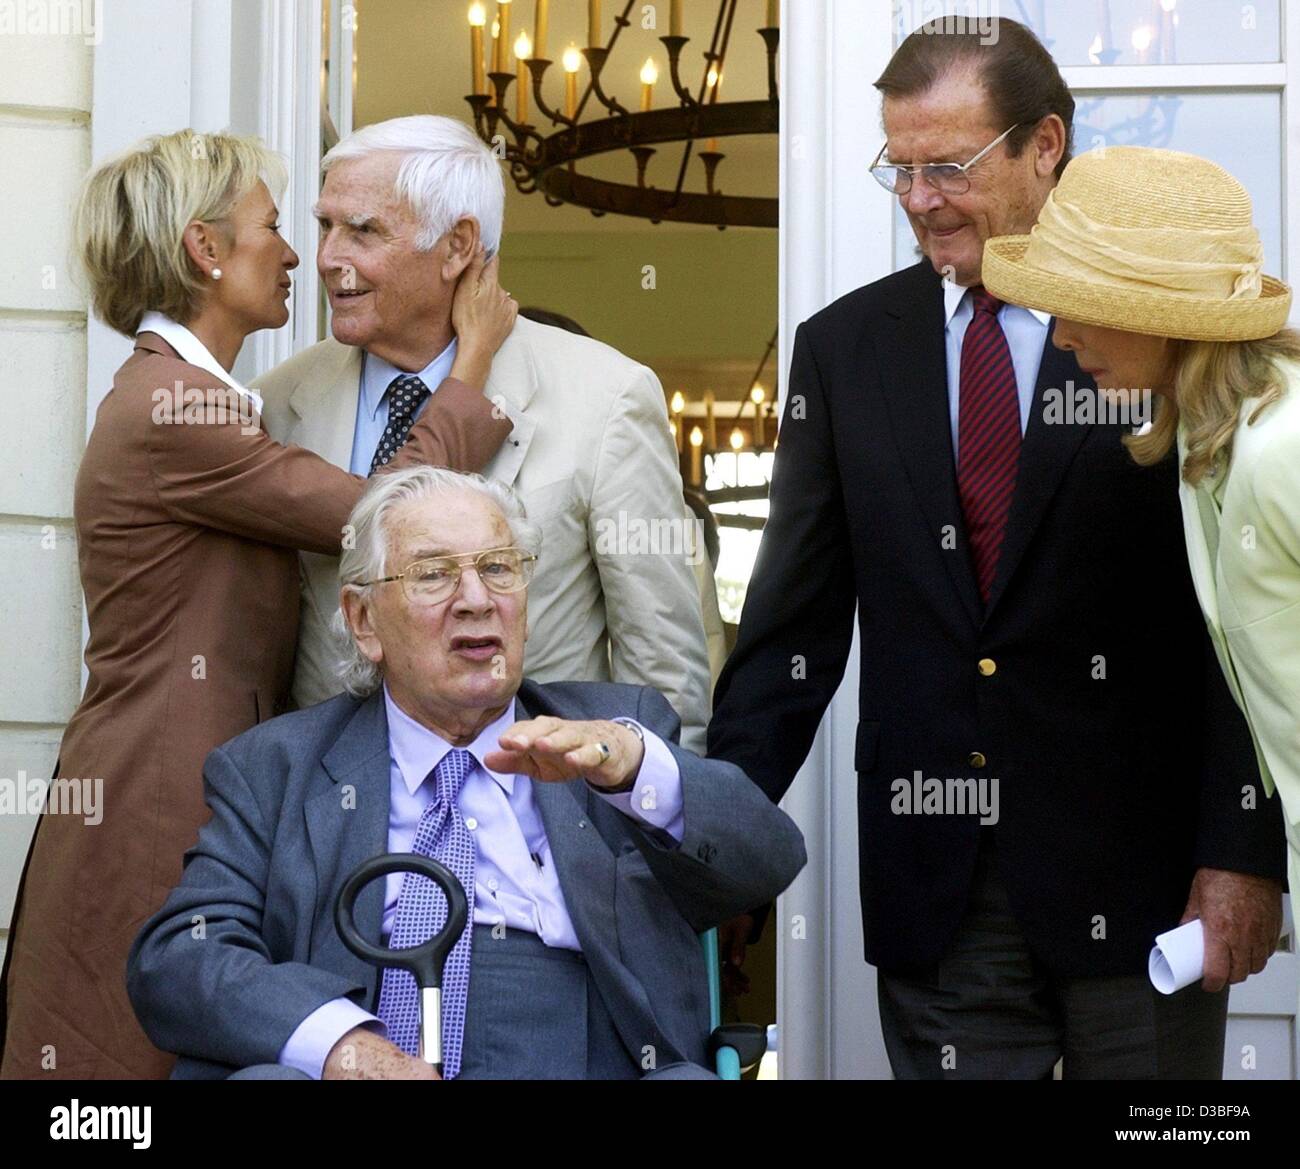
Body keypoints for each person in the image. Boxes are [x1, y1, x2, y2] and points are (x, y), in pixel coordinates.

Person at [707, 19, 1284, 1079]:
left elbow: (1240, 629)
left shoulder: (1153, 332)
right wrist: (713, 840)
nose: (920, 198)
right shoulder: (840, 351)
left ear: (1044, 145)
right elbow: (791, 624)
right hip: (939, 885)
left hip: (1144, 875)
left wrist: (1242, 851)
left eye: (950, 166)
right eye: (901, 169)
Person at [0, 130, 516, 1080]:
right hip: (158, 790)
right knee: (125, 1070)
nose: (297, 254)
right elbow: (375, 518)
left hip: (185, 771)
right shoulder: (173, 407)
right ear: (206, 250)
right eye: (277, 226)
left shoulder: (202, 396)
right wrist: (471, 365)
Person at [126, 467, 805, 1080]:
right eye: (433, 574)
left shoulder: (610, 733)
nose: (476, 599)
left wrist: (631, 767)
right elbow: (180, 957)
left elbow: (768, 856)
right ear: (364, 621)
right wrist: (340, 1045)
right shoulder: (275, 767)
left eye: (499, 569)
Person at [254, 115, 712, 752]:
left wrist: (640, 834)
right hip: (334, 830)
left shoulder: (607, 398)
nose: (328, 258)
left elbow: (664, 683)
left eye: (363, 230)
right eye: (325, 224)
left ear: (457, 245)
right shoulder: (279, 401)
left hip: (534, 816)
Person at [983, 144, 1300, 930]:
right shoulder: (1207, 443)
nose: (1057, 339)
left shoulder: (1281, 447)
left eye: (1073, 303)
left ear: (1151, 311)